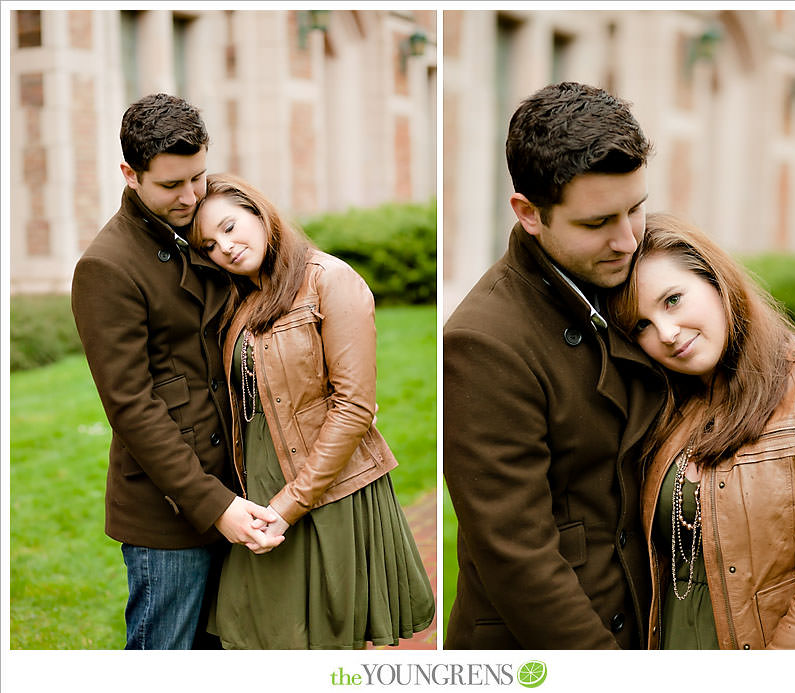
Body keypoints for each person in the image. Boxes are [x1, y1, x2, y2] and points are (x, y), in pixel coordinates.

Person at [443, 82, 667, 649]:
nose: (626, 240)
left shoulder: (647, 281)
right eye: (597, 224)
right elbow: (516, 552)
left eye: (636, 209)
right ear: (529, 214)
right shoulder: (482, 341)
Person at [187, 172, 435, 649]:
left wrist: (290, 505)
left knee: (324, 642)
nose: (226, 247)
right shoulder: (242, 298)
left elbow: (355, 406)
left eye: (230, 227)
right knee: (253, 635)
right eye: (211, 244)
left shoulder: (330, 280)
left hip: (328, 488)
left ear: (259, 213)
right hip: (258, 488)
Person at [71, 94, 283, 650]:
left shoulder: (205, 229)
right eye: (171, 185)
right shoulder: (106, 266)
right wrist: (214, 505)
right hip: (168, 513)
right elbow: (131, 406)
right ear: (130, 174)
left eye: (198, 177)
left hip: (241, 487)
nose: (191, 197)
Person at [606, 212, 795, 650]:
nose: (667, 334)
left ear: (715, 278)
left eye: (672, 300)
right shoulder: (665, 405)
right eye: (641, 325)